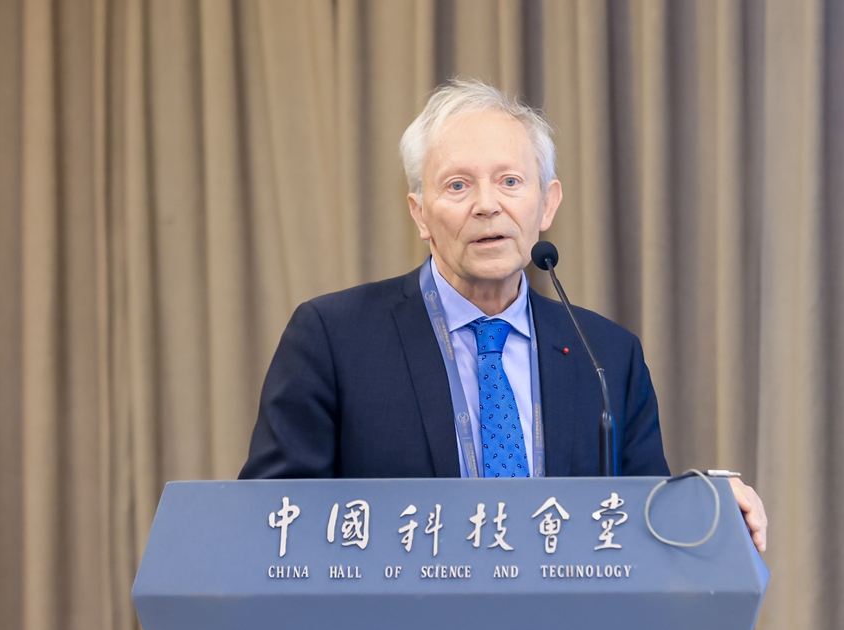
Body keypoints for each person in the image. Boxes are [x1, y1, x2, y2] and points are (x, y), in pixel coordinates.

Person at [239, 79, 767, 552]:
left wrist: (711, 511)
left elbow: (645, 522)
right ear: (420, 214)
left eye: (511, 181)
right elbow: (271, 526)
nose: (487, 205)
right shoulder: (334, 338)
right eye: (458, 185)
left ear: (547, 204)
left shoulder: (605, 354)